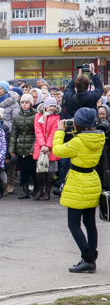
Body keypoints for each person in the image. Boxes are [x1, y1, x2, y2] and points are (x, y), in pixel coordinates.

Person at [53, 107, 104, 273]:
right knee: (90, 223)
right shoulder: (99, 138)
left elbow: (58, 150)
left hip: (78, 183)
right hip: (92, 180)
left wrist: (60, 131)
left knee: (73, 223)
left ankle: (87, 257)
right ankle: (92, 255)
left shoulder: (77, 142)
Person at [10, 94, 38, 199]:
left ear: (31, 103)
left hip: (31, 145)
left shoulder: (36, 116)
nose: (24, 105)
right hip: (20, 146)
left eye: (26, 102)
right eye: (22, 102)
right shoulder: (18, 117)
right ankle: (25, 190)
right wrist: (12, 148)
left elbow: (37, 133)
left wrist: (33, 148)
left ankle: (36, 189)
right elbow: (14, 133)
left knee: (32, 169)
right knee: (23, 170)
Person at [33, 96, 61, 200]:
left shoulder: (56, 118)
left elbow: (54, 132)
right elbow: (38, 130)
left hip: (51, 146)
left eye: (54, 106)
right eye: (50, 106)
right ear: (45, 106)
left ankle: (47, 191)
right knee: (40, 169)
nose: (52, 108)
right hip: (40, 146)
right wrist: (42, 144)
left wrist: (48, 145)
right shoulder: (38, 116)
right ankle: (40, 190)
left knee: (50, 170)